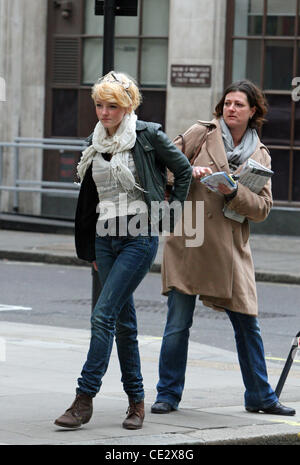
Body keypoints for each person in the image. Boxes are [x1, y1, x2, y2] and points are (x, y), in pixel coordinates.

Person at [54, 71, 192, 430]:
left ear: (127, 105)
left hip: (138, 235)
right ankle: (137, 402)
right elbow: (91, 198)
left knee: (102, 317)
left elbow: (184, 170)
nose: (103, 113)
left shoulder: (147, 136)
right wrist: (90, 246)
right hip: (105, 237)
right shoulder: (95, 141)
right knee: (124, 324)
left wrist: (169, 217)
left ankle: (84, 399)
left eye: (112, 106)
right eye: (99, 105)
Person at [151, 80, 296, 416]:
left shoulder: (260, 154)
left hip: (231, 249)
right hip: (192, 237)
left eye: (238, 104)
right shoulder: (201, 133)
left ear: (253, 111)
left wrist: (232, 192)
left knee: (248, 323)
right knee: (177, 324)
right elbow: (160, 168)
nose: (231, 108)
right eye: (227, 102)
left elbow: (262, 209)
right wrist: (189, 172)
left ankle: (260, 395)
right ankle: (168, 394)